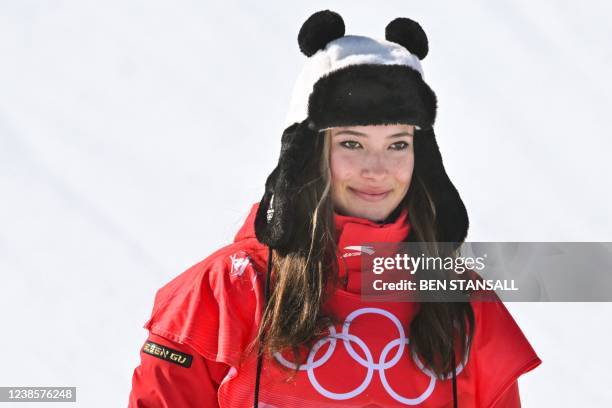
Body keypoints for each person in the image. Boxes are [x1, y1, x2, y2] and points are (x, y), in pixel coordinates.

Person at [128, 10, 542, 408]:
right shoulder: (227, 291)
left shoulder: (460, 301)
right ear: (308, 154)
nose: (377, 169)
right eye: (352, 143)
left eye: (398, 144)